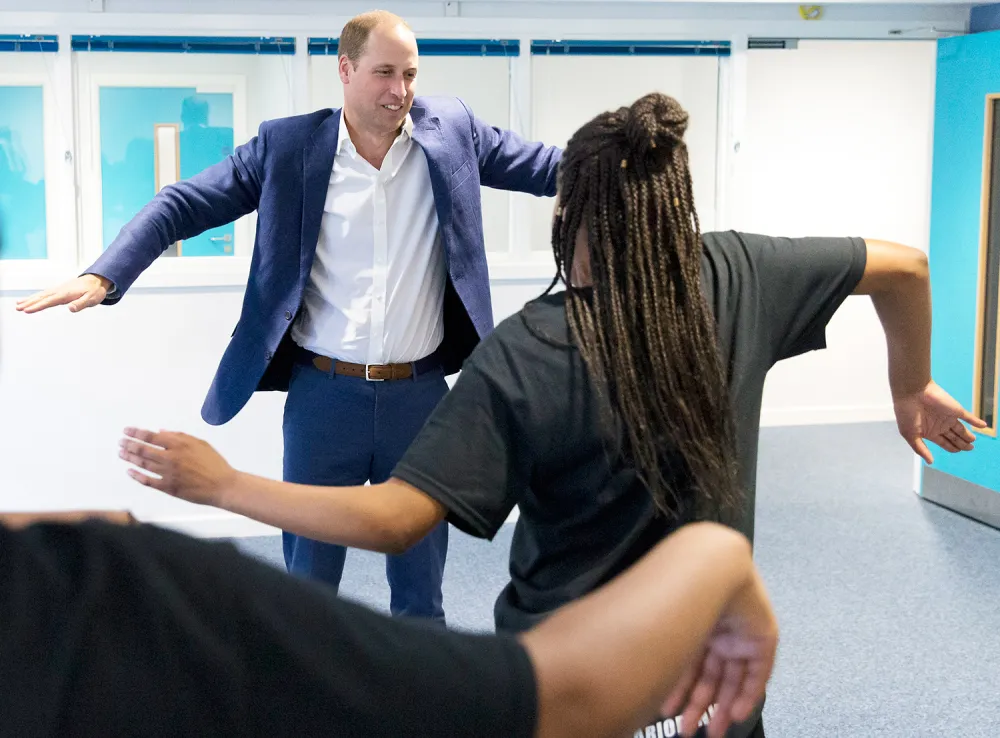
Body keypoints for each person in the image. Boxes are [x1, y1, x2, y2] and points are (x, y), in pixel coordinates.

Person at [117, 92, 986, 737]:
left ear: (568, 203)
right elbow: (903, 266)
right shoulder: (740, 275)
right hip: (713, 673)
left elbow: (392, 520)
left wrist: (225, 486)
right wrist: (910, 386)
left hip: (575, 682)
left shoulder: (531, 350)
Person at [14, 9, 562, 622]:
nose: (399, 90)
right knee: (307, 593)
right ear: (345, 69)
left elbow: (549, 166)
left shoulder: (452, 130)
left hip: (422, 399)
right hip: (324, 401)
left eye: (409, 74)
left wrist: (636, 162)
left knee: (421, 589)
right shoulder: (289, 146)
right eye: (384, 72)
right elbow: (181, 203)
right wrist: (105, 272)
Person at [0, 514, 778, 738]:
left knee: (415, 616)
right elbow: (564, 694)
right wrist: (719, 555)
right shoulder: (116, 602)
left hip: (411, 388)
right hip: (324, 392)